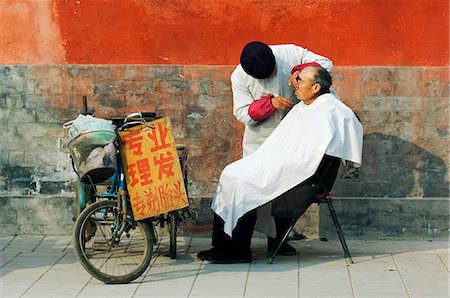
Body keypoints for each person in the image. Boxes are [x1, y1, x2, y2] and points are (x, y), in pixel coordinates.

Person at [197, 63, 363, 263]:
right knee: (231, 173)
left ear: (316, 87)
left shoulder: (330, 111)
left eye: (300, 80)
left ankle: (239, 251)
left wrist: (276, 164)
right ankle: (222, 245)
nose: (294, 83)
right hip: (285, 161)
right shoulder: (304, 106)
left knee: (244, 182)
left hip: (305, 174)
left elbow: (310, 156)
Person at [231, 41, 337, 255]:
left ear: (274, 58)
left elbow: (326, 64)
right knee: (250, 188)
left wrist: (298, 71)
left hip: (296, 138)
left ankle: (278, 242)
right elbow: (242, 113)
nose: (270, 78)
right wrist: (270, 105)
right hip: (261, 141)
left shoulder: (289, 53)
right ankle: (240, 246)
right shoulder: (239, 76)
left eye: (272, 73)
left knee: (285, 188)